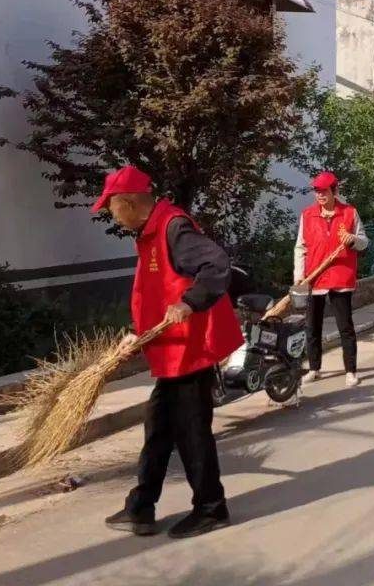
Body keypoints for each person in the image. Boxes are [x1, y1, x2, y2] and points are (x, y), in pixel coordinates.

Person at [95, 166, 243, 539]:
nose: (111, 215)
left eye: (111, 207)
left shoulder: (173, 227)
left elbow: (217, 264)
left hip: (191, 349)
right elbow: (154, 293)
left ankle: (211, 508)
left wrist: (190, 302)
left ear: (128, 203)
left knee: (192, 431)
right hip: (171, 350)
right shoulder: (149, 233)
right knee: (158, 428)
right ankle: (141, 506)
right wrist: (136, 335)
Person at [295, 172, 368, 387]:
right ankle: (315, 368)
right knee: (312, 327)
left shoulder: (349, 213)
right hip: (315, 278)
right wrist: (299, 276)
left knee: (345, 327)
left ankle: (351, 371)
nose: (320, 195)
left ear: (334, 191)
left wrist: (353, 239)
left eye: (324, 191)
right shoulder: (307, 215)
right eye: (317, 191)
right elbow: (300, 247)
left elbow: (364, 242)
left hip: (340, 278)